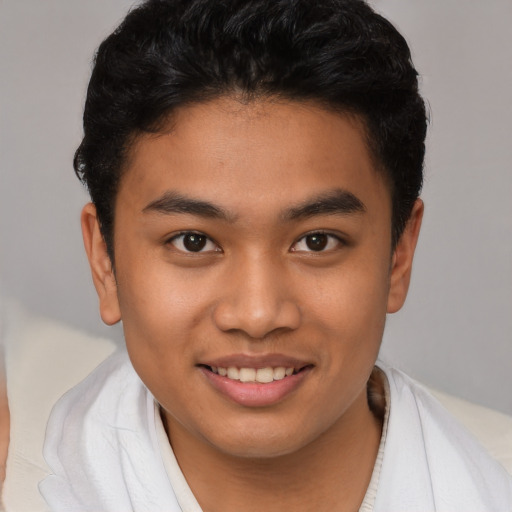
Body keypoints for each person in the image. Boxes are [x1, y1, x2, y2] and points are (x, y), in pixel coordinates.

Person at [39, 0, 512, 511]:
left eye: (317, 241)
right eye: (193, 241)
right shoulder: (27, 486)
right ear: (104, 261)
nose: (258, 314)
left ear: (399, 253)